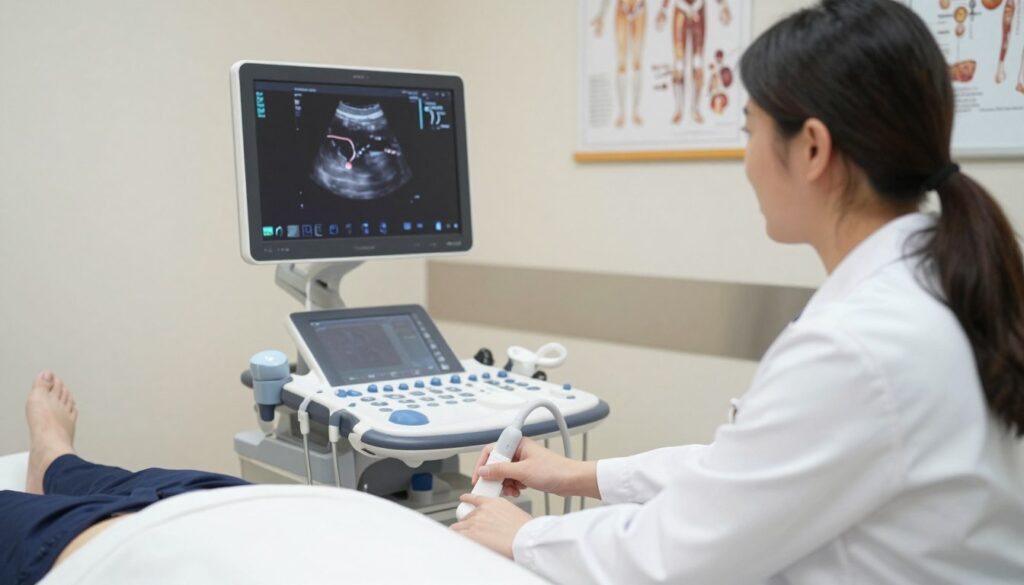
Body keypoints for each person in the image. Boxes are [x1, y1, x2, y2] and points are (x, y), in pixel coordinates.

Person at [450, 1, 1024, 583]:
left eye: (750, 129)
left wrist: (524, 534)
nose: (745, 158)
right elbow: (751, 472)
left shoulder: (860, 346)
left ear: (813, 149)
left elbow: (675, 556)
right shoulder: (930, 287)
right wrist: (578, 475)